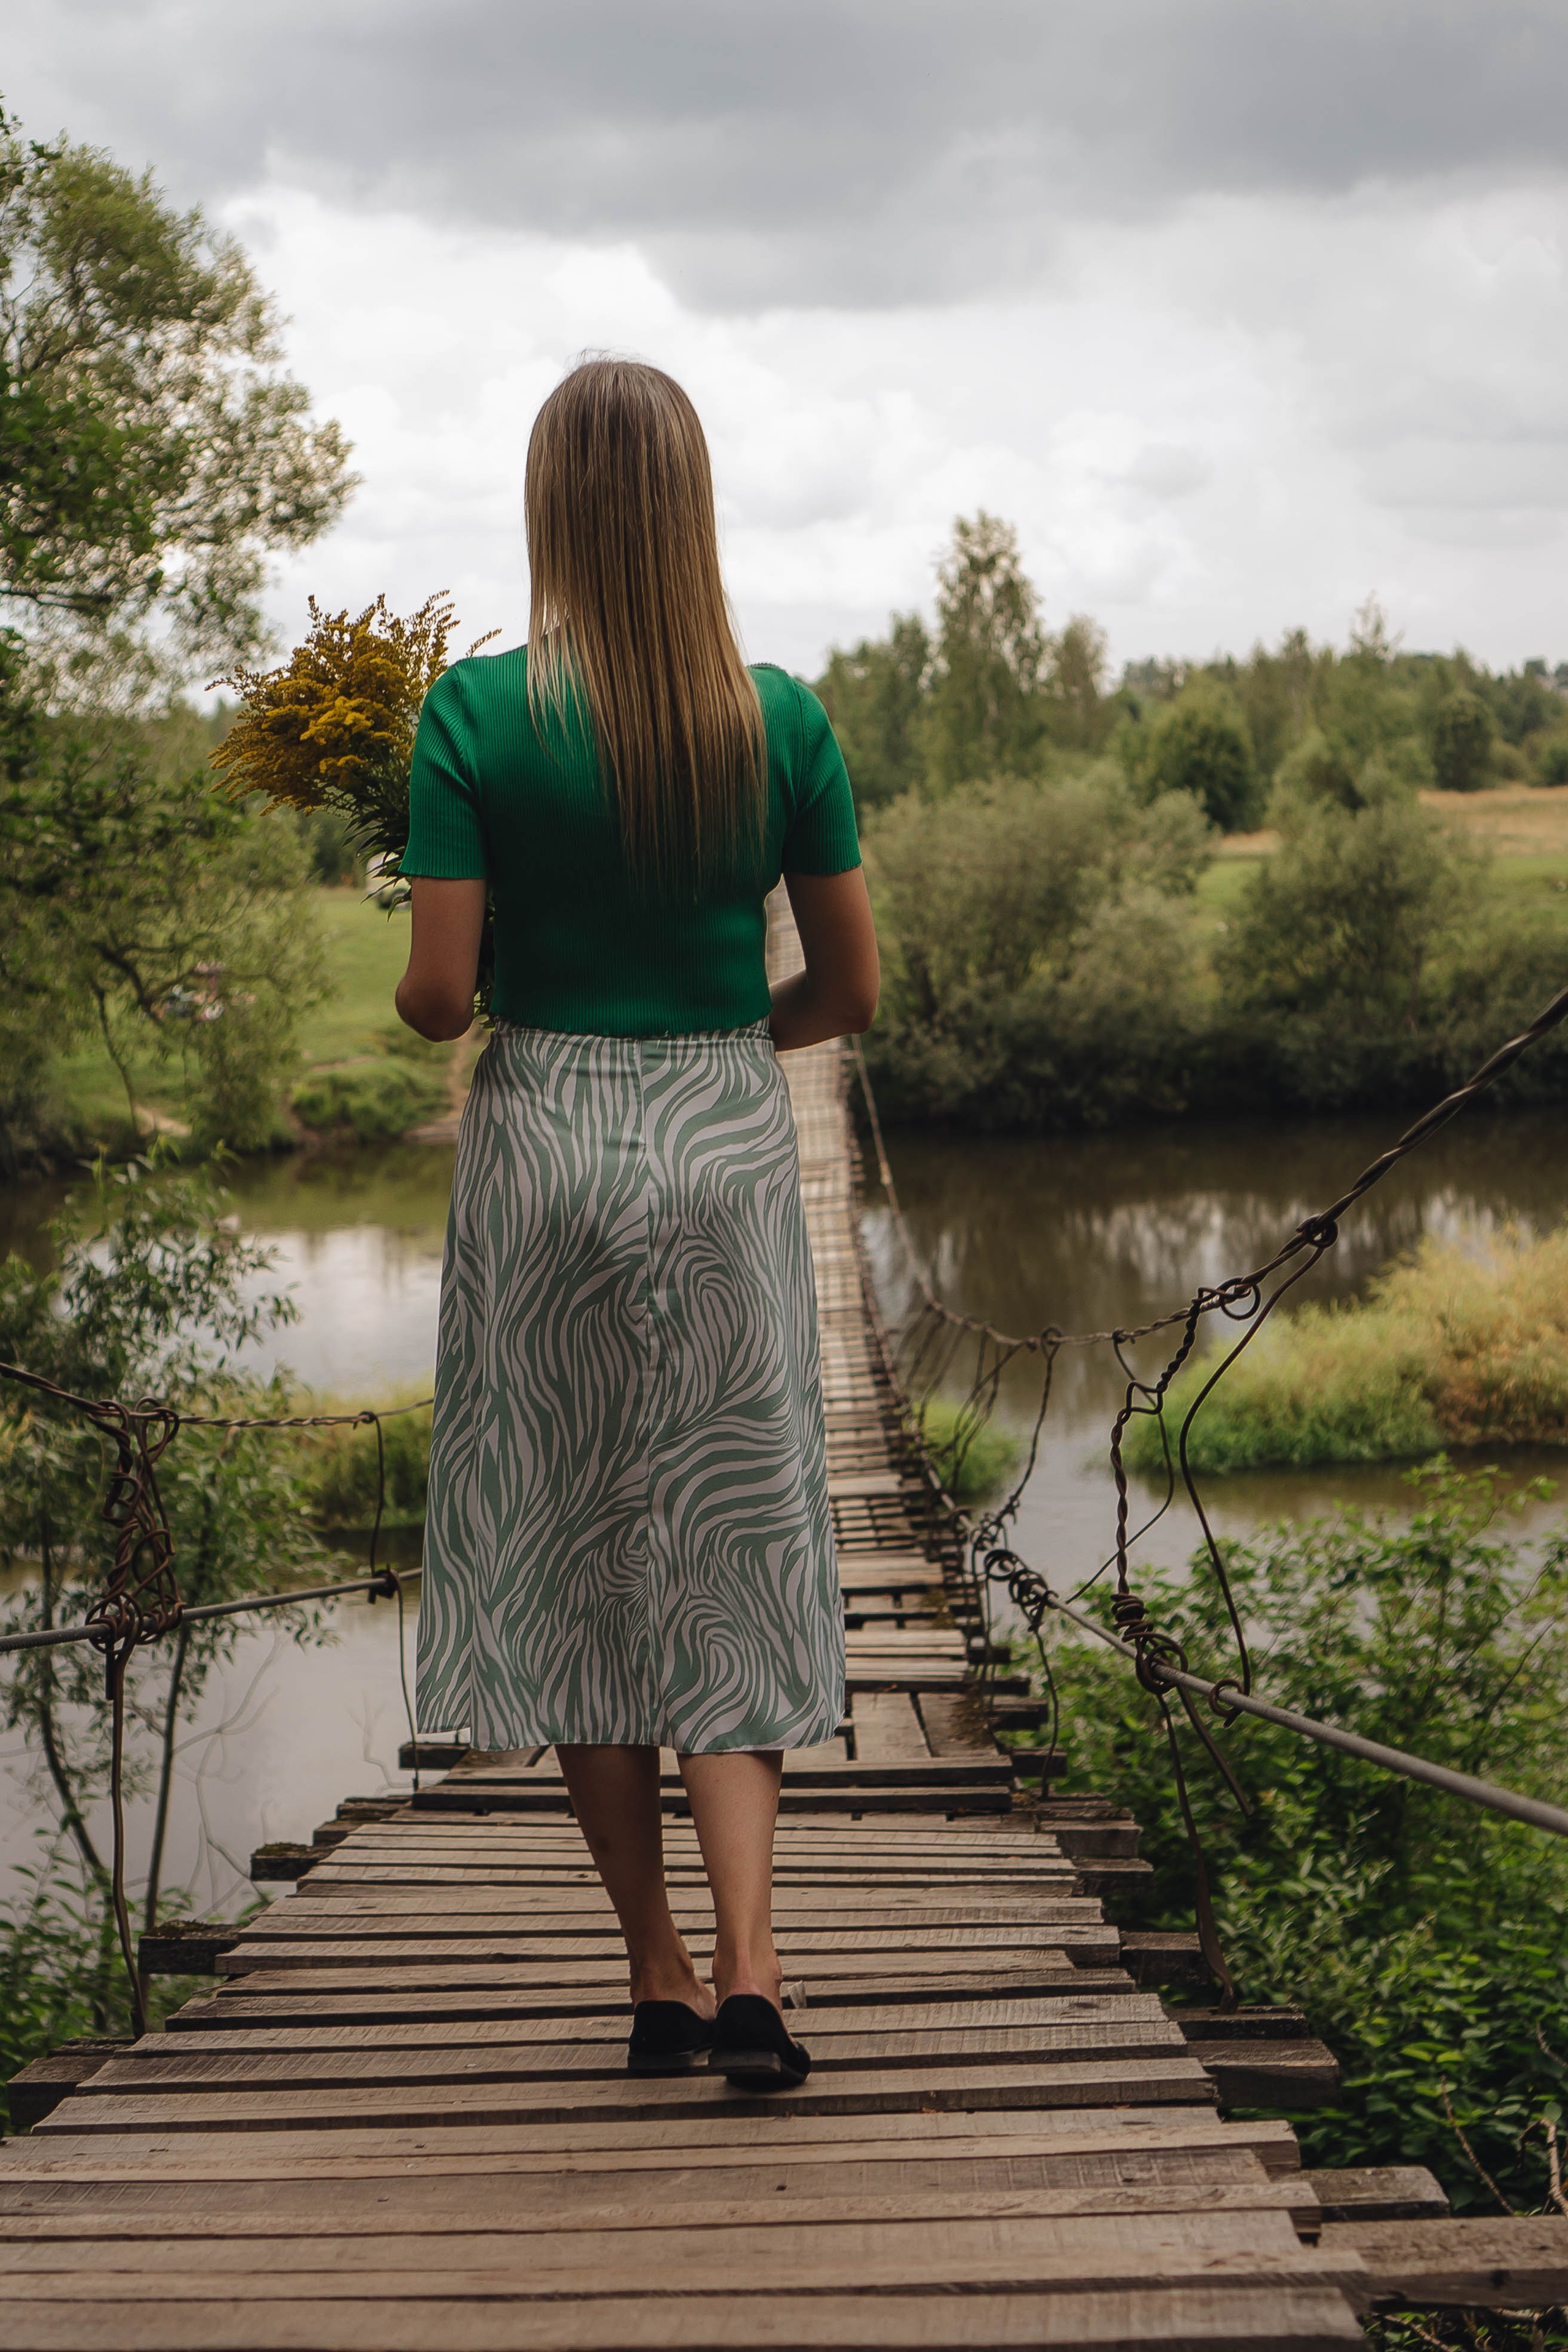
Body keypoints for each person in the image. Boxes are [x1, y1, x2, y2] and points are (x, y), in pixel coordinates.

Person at [394, 357, 878, 2092]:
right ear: (693, 510)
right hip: (725, 1144)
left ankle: (656, 1971)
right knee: (734, 1553)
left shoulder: (466, 719)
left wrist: (435, 923)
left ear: (548, 511)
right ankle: (758, 1966)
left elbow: (442, 1002)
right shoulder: (782, 723)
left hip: (545, 1160)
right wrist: (739, 1050)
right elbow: (850, 988)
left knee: (578, 1560)